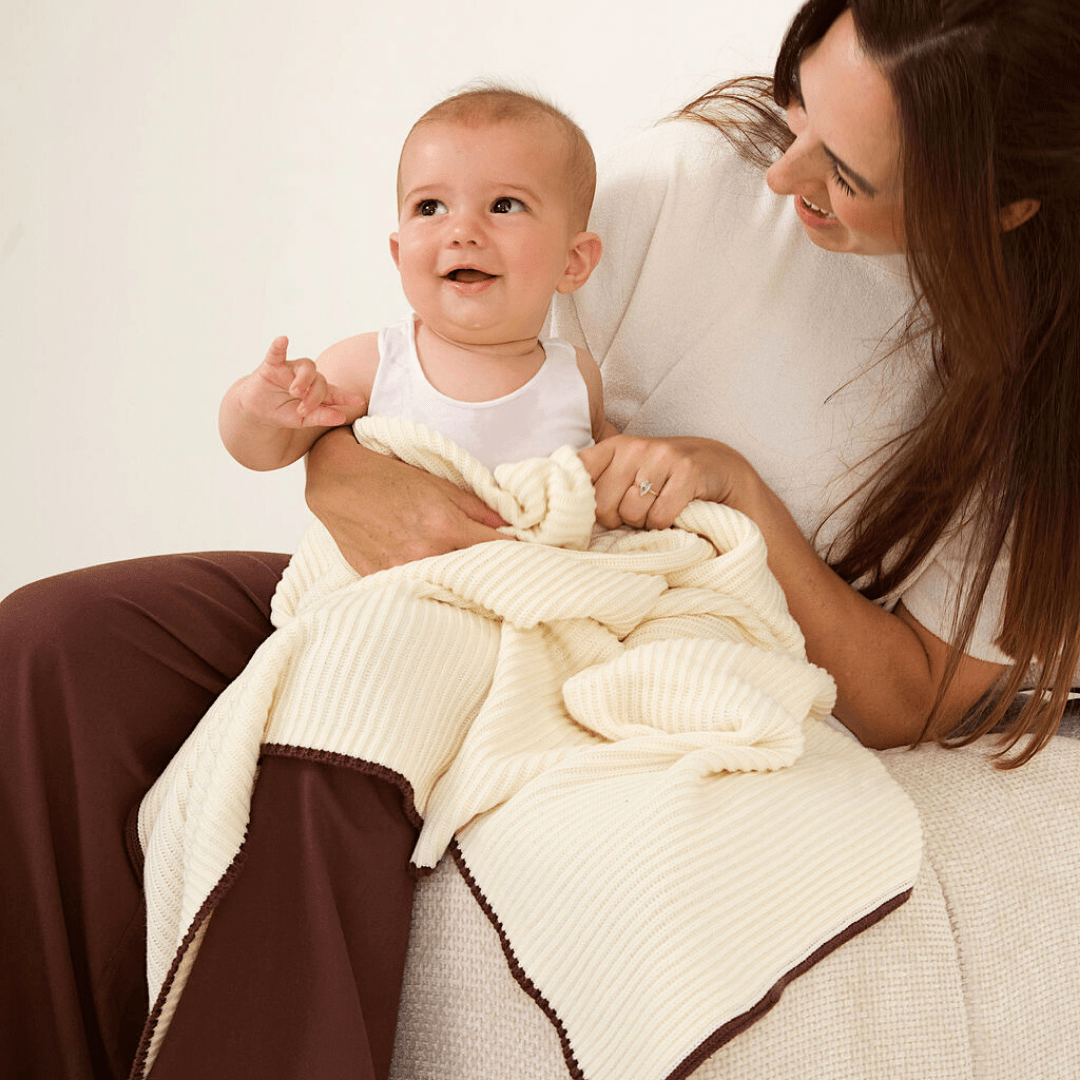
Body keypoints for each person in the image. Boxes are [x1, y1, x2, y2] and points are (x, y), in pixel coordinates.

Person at [3, 1, 1078, 1077]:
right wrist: (340, 465)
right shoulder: (698, 181)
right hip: (452, 572)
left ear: (1002, 206)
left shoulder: (1042, 407)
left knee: (346, 722)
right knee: (54, 645)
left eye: (843, 172)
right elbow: (443, 359)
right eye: (796, 105)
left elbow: (914, 695)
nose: (779, 173)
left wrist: (739, 493)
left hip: (609, 627)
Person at [218, 87, 611, 479]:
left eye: (504, 206)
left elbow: (612, 474)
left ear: (573, 262)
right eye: (430, 208)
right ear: (399, 253)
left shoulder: (577, 377)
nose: (462, 232)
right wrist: (255, 410)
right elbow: (266, 452)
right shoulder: (373, 365)